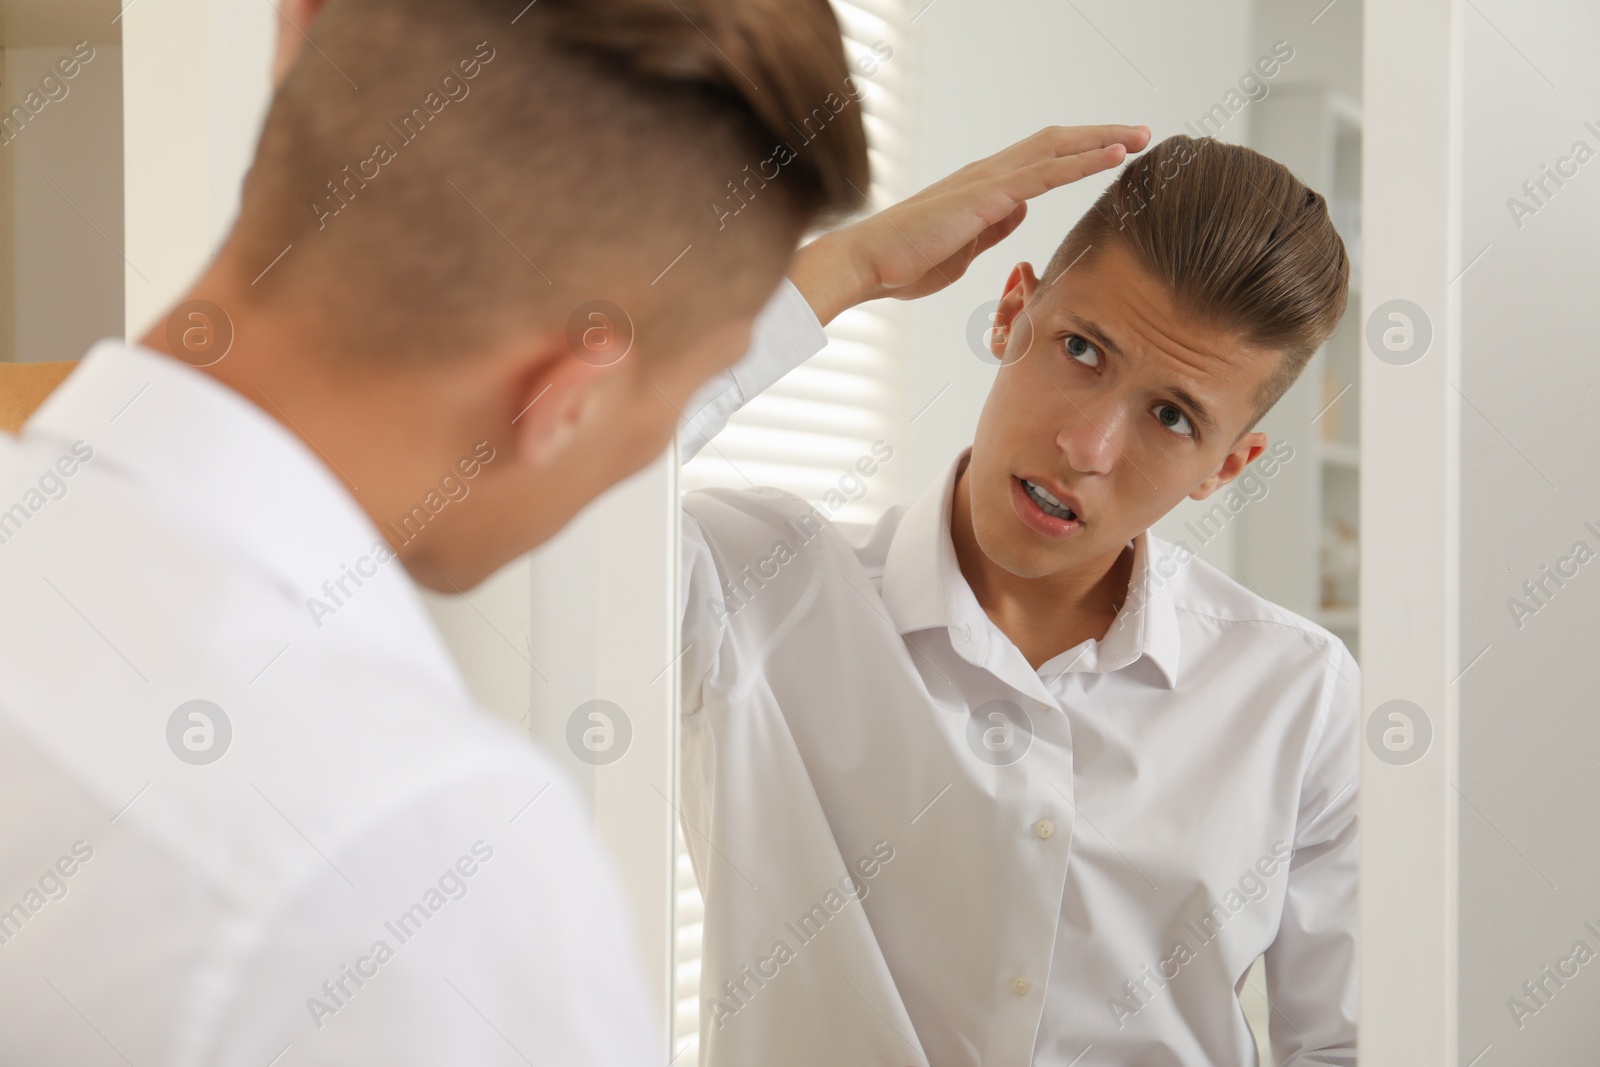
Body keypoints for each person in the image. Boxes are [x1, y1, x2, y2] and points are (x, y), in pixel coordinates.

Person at [0, 0, 1145, 1063]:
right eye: (687, 382)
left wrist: (832, 268)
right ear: (570, 400)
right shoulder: (428, 861)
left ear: (293, 33)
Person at [677, 135, 1358, 1066]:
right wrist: (846, 266)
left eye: (1171, 417)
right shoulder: (748, 585)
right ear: (1011, 312)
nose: (1087, 444)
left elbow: (1345, 1046)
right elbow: (529, 483)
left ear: (1225, 468)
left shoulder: (1299, 690)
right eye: (1082, 348)